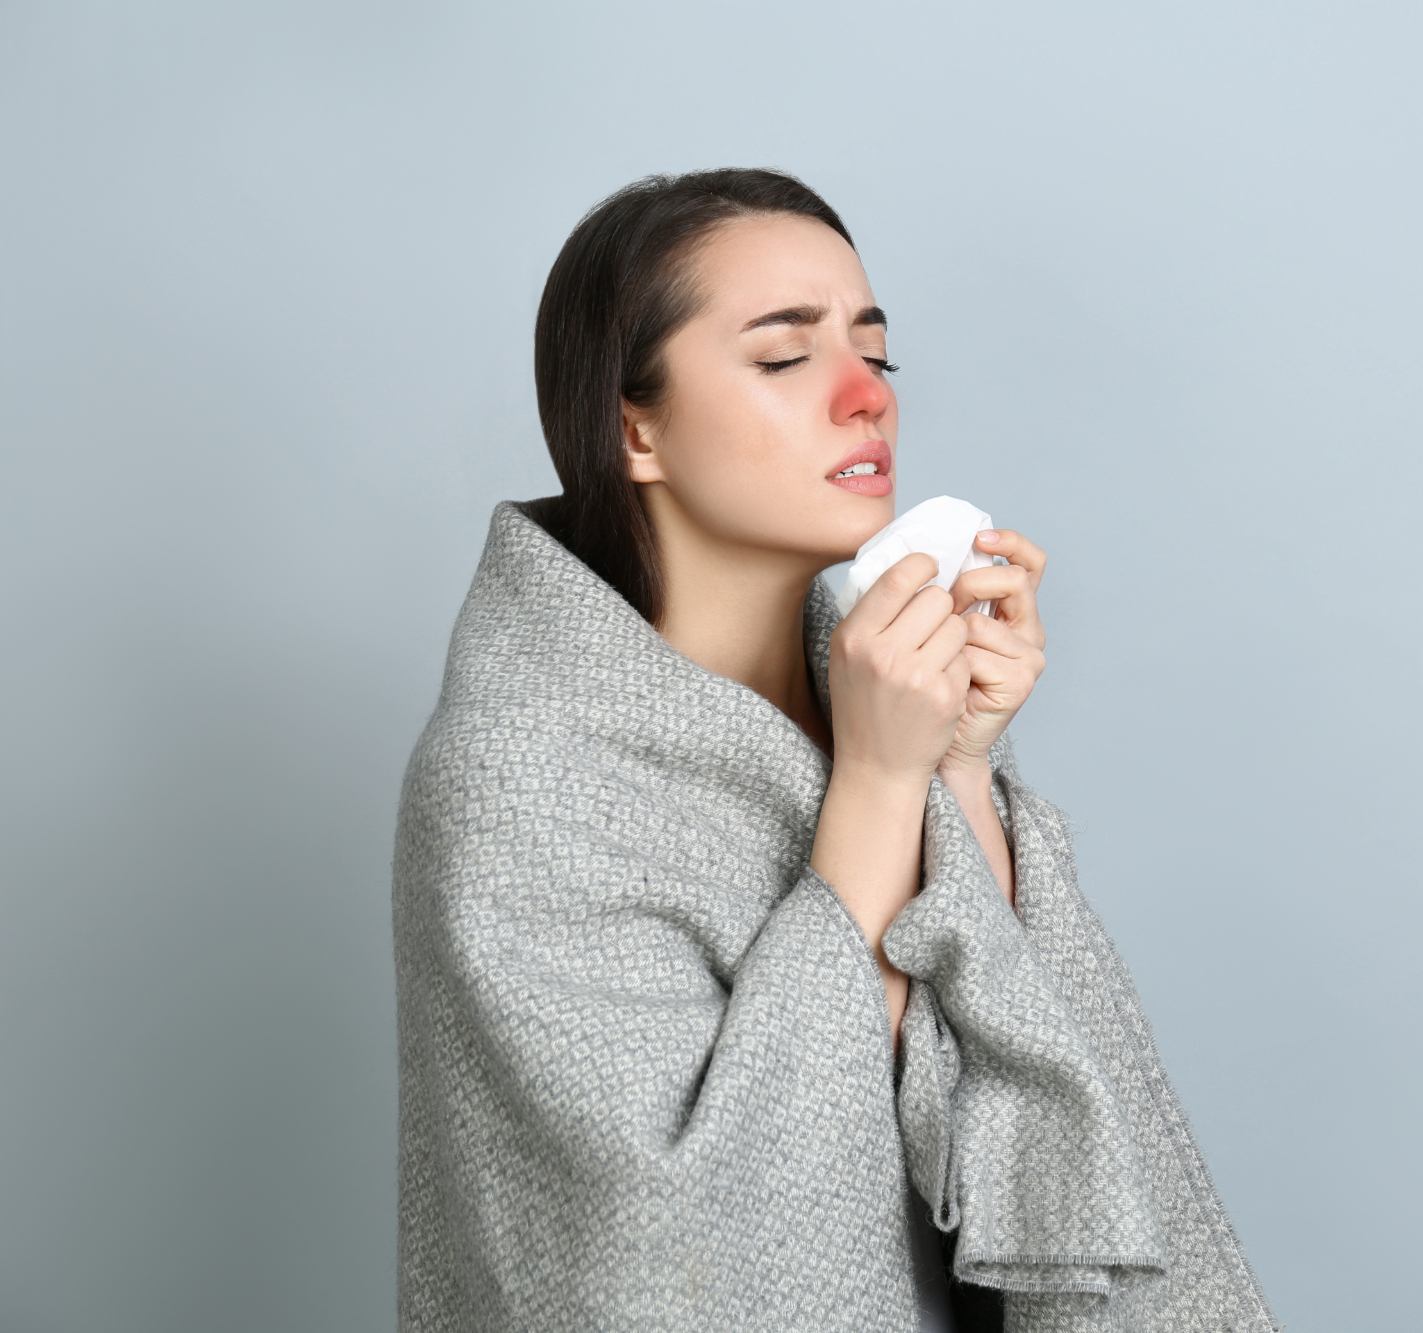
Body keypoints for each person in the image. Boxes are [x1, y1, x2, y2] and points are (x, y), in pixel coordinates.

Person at [393, 168, 1279, 1332]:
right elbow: (663, 1262)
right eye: (782, 357)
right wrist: (875, 782)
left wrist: (955, 767)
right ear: (633, 426)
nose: (865, 395)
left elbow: (1044, 1127)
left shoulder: (872, 701)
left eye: (877, 351)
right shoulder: (517, 783)